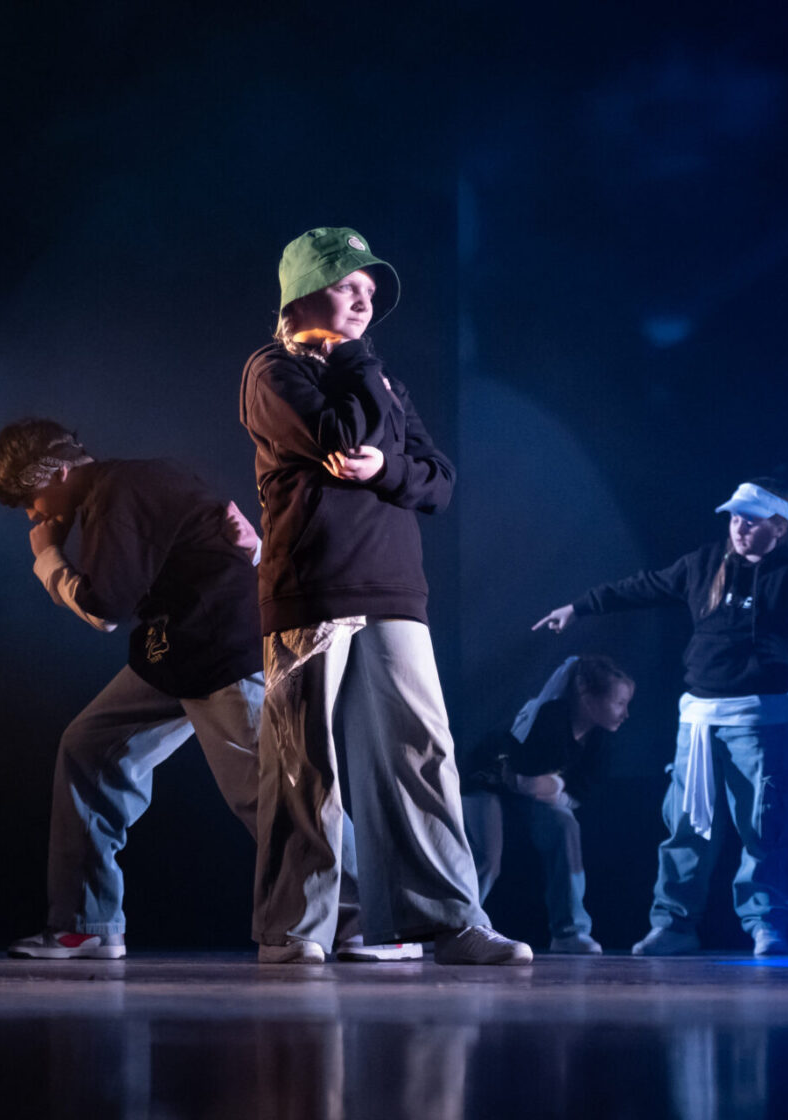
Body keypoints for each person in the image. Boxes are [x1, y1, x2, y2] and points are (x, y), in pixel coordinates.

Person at [0, 419, 400, 961]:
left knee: (275, 790)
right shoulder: (133, 483)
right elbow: (231, 535)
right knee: (89, 748)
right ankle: (86, 923)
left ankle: (373, 922)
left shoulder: (116, 494)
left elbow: (105, 609)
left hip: (220, 652)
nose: (33, 515)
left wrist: (47, 557)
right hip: (176, 652)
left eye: (31, 499)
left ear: (59, 472)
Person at [239, 226, 531, 965]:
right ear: (303, 294)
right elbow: (337, 434)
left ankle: (447, 921)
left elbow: (438, 479)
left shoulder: (380, 379)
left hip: (395, 586)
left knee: (421, 751)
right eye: (348, 285)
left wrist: (385, 470)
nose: (365, 300)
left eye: (371, 290)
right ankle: (295, 928)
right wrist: (357, 371)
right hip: (313, 585)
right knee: (305, 762)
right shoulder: (272, 370)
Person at [533, 480, 788, 956]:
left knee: (763, 827)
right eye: (735, 518)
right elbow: (642, 586)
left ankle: (765, 922)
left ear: (779, 528)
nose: (740, 528)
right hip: (698, 720)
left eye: (752, 521)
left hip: (758, 723)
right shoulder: (704, 565)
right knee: (686, 825)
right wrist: (579, 608)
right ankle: (676, 924)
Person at [460, 655, 634, 954]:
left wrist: (554, 787)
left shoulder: (600, 737)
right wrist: (548, 786)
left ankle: (569, 931)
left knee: (565, 825)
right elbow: (524, 780)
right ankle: (457, 925)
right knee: (488, 857)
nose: (625, 713)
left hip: (525, 794)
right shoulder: (549, 719)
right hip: (485, 784)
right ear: (587, 696)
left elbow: (580, 790)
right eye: (619, 703)